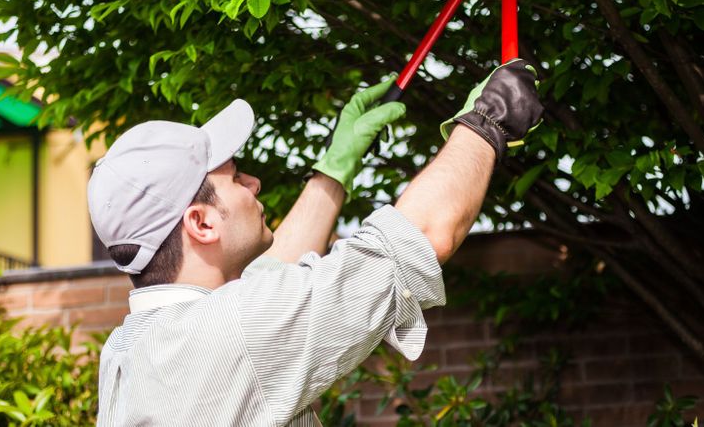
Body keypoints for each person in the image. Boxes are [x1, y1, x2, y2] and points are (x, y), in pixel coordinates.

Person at [88, 59, 543, 426]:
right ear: (202, 223)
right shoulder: (233, 330)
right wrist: (486, 123)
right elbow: (418, 238)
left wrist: (335, 167)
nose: (254, 183)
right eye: (234, 178)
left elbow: (273, 283)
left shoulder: (130, 347)